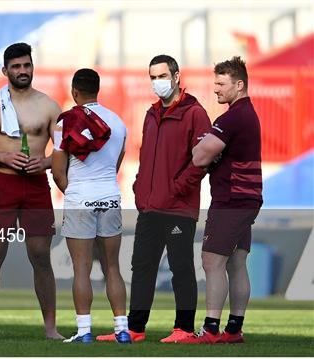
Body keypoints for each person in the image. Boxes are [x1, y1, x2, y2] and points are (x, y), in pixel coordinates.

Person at [98, 55, 211, 343]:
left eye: (162, 76)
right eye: (153, 77)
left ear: (176, 76)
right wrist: (139, 189)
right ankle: (135, 329)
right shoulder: (150, 114)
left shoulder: (194, 113)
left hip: (177, 208)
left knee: (181, 267)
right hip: (149, 207)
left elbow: (202, 161)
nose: (157, 82)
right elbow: (147, 156)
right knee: (142, 266)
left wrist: (176, 189)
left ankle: (184, 329)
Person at [0, 42, 63, 339]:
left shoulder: (48, 105)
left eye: (27, 65)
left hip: (35, 186)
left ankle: (51, 328)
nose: (23, 71)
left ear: (33, 67)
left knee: (41, 255)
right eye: (17, 66)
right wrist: (3, 156)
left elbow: (62, 151)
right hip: (2, 184)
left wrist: (45, 162)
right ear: (5, 70)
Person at [178, 56, 263, 344]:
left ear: (239, 85)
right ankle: (234, 330)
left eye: (221, 84)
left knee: (212, 261)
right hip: (246, 199)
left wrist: (203, 145)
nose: (215, 89)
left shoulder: (232, 117)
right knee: (236, 264)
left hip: (231, 200)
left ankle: (211, 330)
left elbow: (199, 156)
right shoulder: (248, 114)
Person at [52, 69, 129, 344]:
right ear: (98, 90)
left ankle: (84, 331)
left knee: (82, 269)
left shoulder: (65, 124)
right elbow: (115, 167)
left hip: (79, 200)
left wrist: (74, 195)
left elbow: (58, 171)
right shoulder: (119, 123)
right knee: (113, 268)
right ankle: (122, 329)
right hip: (110, 197)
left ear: (74, 92)